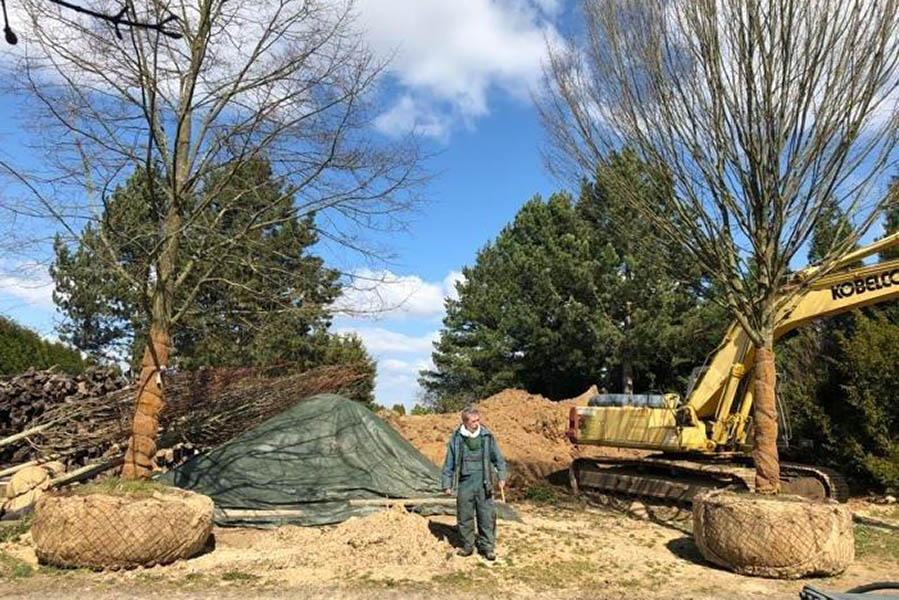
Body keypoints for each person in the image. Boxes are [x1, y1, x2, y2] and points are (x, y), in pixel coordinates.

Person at [440, 406, 508, 561]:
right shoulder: (457, 438)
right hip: (465, 484)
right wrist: (447, 483)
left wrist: (502, 476)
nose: (477, 424)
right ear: (465, 422)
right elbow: (449, 462)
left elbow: (498, 458)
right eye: (473, 421)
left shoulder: (487, 436)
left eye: (478, 420)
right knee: (464, 517)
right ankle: (467, 546)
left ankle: (487, 547)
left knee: (486, 516)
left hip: (484, 483)